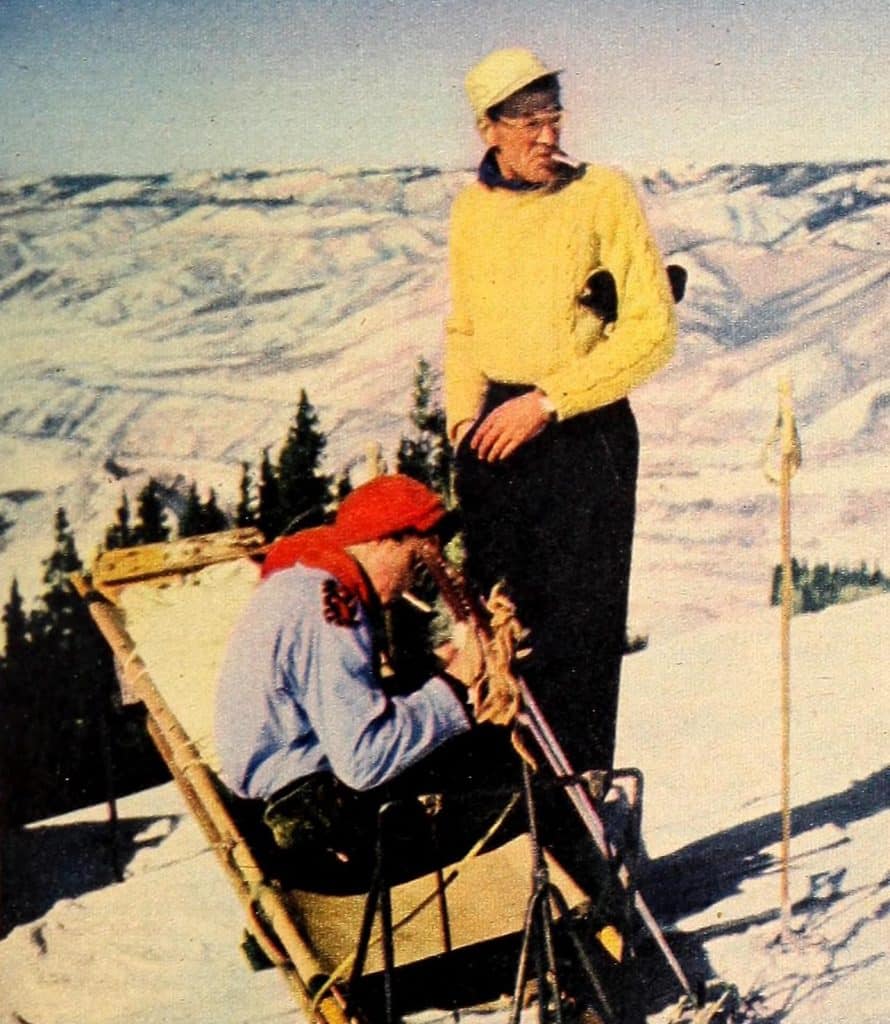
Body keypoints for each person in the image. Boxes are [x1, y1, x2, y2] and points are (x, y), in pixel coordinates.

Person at [445, 48, 678, 775]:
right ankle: (510, 831)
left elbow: (653, 330)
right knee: (497, 636)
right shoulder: (472, 209)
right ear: (489, 129)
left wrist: (548, 403)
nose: (548, 135)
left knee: (578, 640)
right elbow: (463, 328)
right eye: (528, 123)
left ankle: (580, 829)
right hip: (494, 432)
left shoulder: (601, 194)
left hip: (584, 430)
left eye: (554, 117)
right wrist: (462, 421)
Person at [214, 473, 517, 888]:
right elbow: (365, 757)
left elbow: (332, 706)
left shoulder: (301, 585)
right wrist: (454, 684)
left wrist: (432, 669)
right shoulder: (331, 605)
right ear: (383, 539)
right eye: (413, 561)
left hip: (288, 814)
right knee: (512, 791)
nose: (412, 581)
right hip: (316, 830)